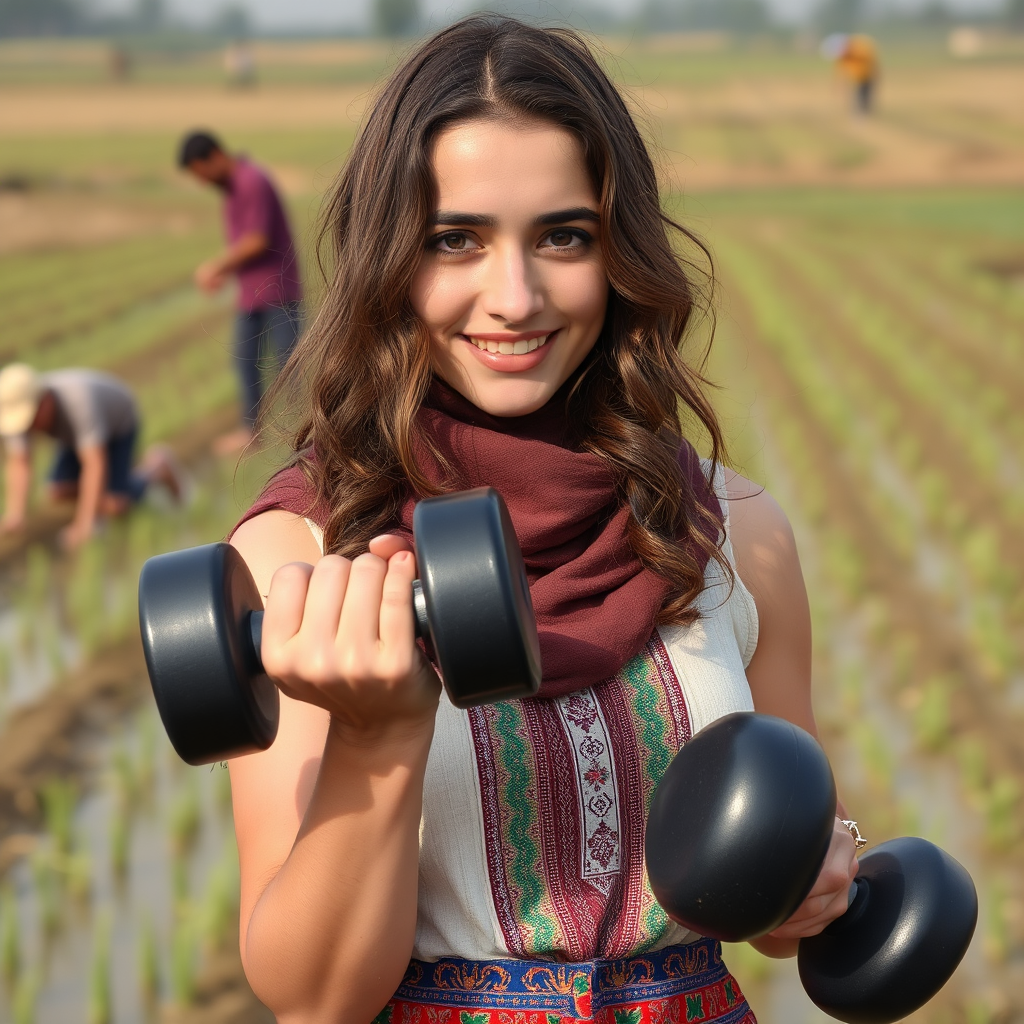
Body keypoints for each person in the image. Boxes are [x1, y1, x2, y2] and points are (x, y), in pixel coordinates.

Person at [226, 17, 860, 1023]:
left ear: (620, 254)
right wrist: (376, 733)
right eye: (456, 240)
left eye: (563, 235)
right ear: (389, 255)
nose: (513, 298)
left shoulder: (737, 533)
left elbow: (772, 902)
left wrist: (814, 877)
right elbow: (313, 998)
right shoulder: (302, 563)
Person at [178, 130, 302, 455]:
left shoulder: (251, 181)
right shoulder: (233, 188)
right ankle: (252, 433)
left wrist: (217, 267)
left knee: (288, 366)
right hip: (252, 292)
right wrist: (229, 270)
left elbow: (256, 240)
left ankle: (303, 435)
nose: (203, 183)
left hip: (277, 289)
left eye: (201, 173)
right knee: (245, 361)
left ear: (215, 156)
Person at [0, 364, 179, 549]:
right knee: (57, 491)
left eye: (31, 420)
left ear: (44, 400)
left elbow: (94, 464)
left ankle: (158, 467)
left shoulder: (78, 400)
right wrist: (15, 515)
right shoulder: (17, 420)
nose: (29, 429)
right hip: (75, 438)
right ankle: (99, 501)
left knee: (117, 504)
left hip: (118, 426)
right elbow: (20, 463)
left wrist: (84, 526)